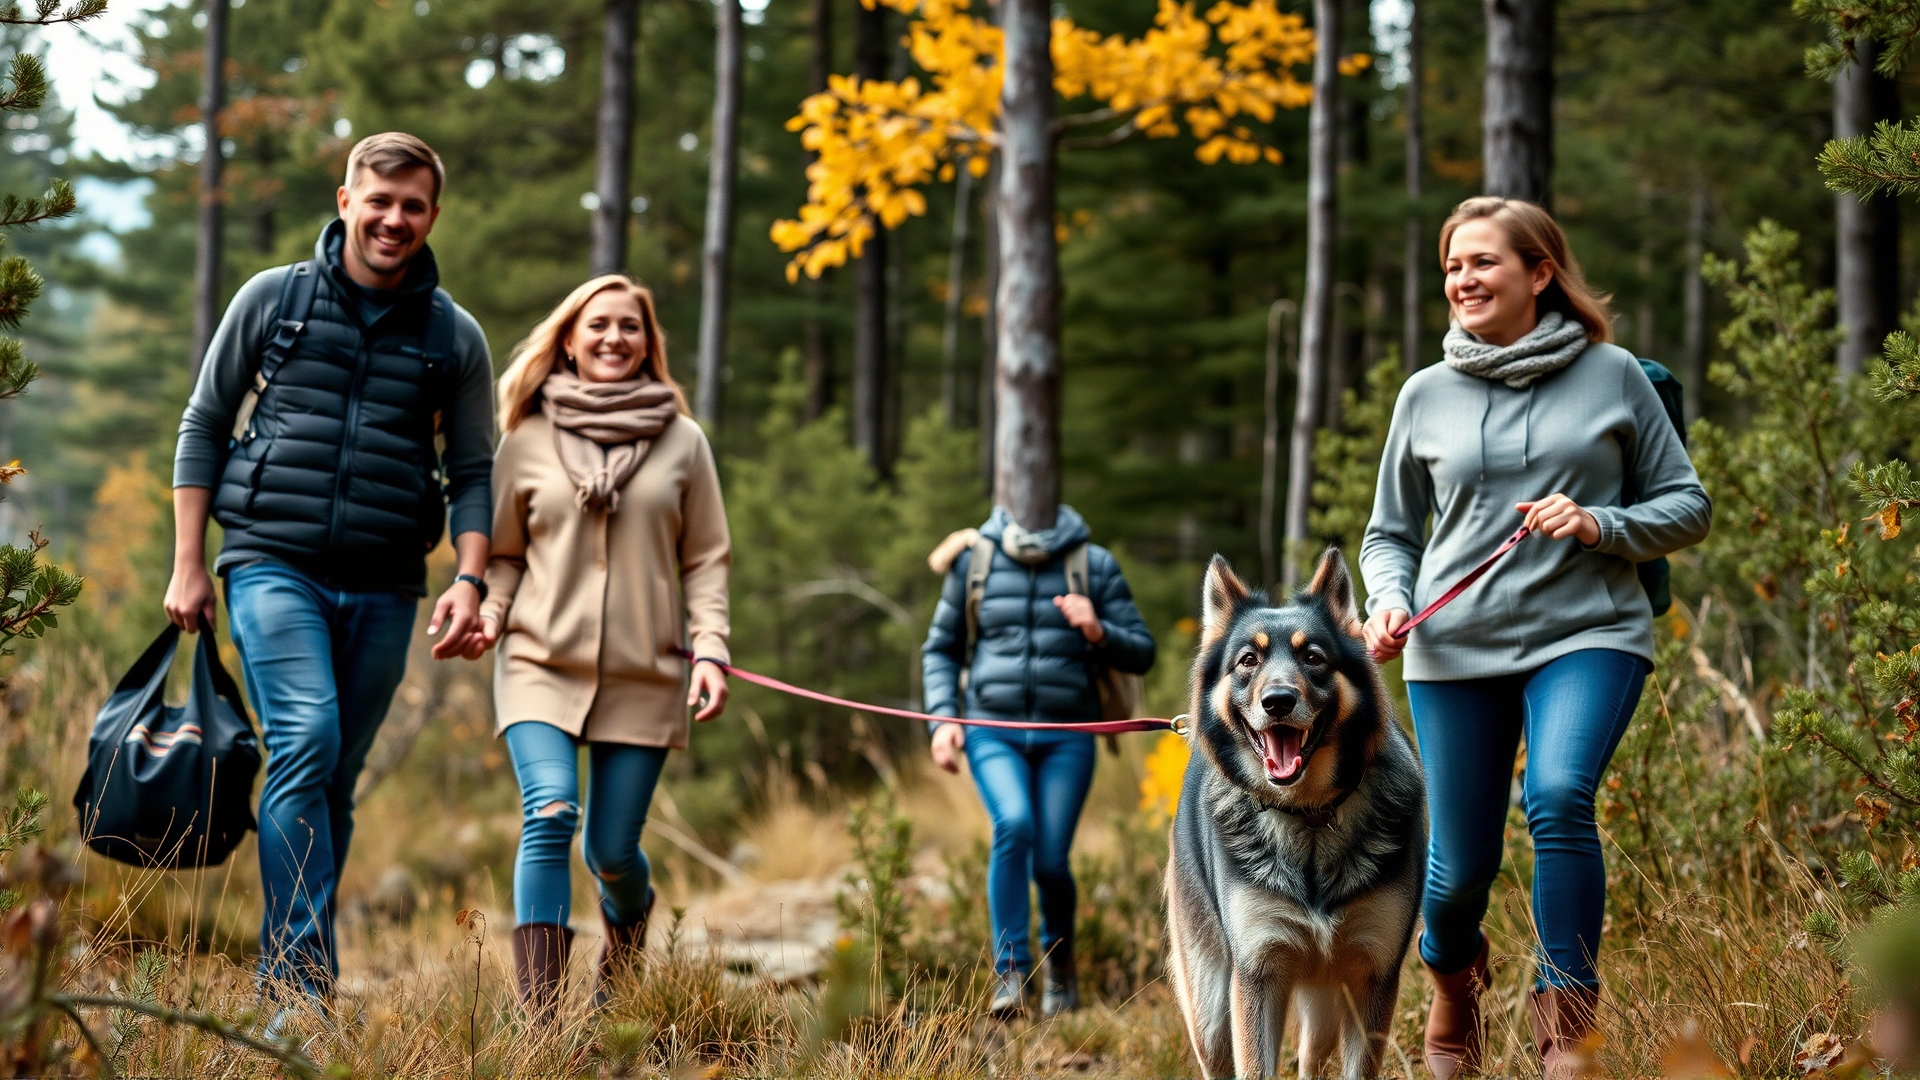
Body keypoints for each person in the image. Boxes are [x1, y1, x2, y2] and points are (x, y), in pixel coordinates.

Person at [1358, 196, 1711, 1079]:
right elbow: (1389, 534)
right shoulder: (1424, 394)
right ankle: (1455, 982)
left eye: (1483, 262)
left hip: (1587, 631)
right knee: (1457, 868)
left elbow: (1687, 505)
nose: (1463, 280)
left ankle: (1565, 1030)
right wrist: (1390, 601)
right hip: (1454, 649)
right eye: (1453, 266)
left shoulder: (1615, 374)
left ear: (1540, 273)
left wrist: (1598, 524)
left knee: (1557, 798)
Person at [165, 133, 495, 1008]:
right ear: (345, 200)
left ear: (432, 215)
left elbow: (472, 471)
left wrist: (470, 580)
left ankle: (295, 972)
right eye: (377, 201)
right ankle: (300, 991)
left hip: (388, 583)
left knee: (331, 779)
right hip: (272, 561)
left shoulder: (452, 337)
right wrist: (188, 562)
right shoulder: (276, 300)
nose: (393, 219)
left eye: (412, 206)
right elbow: (204, 422)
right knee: (305, 742)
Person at [463, 275, 730, 1021]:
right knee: (549, 812)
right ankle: (541, 1027)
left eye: (630, 327)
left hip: (645, 671)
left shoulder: (683, 441)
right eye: (598, 326)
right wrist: (492, 611)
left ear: (649, 344)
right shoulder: (526, 436)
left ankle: (628, 936)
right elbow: (506, 553)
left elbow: (705, 557)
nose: (614, 338)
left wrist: (710, 647)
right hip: (538, 661)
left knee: (612, 852)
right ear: (569, 341)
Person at [921, 505, 1155, 1019]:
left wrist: (1097, 629)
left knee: (1051, 859)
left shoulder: (1093, 564)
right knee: (1014, 824)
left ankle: (1060, 966)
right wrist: (942, 720)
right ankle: (1010, 974)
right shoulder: (973, 561)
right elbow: (941, 649)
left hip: (1068, 733)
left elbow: (1142, 651)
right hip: (991, 729)